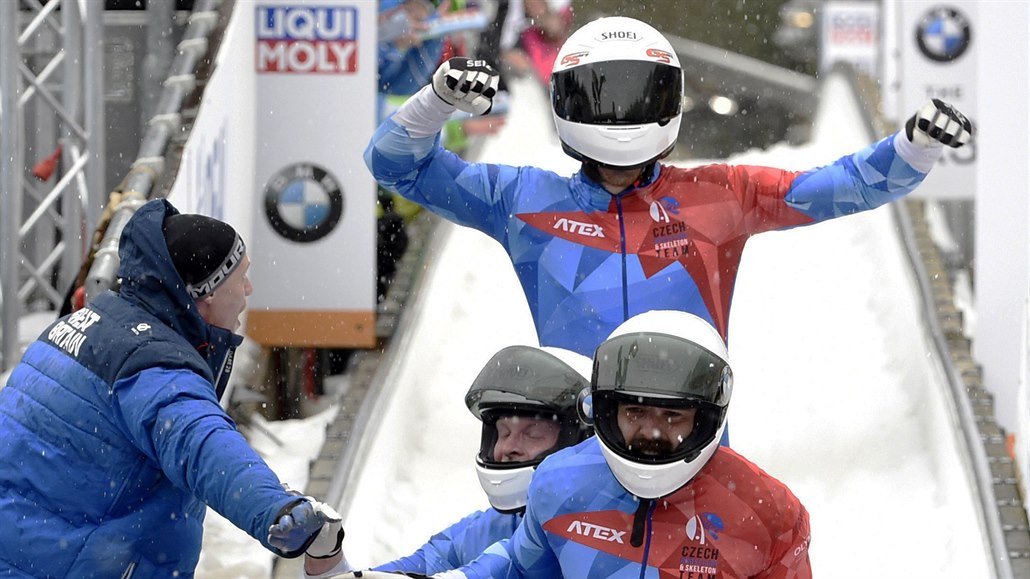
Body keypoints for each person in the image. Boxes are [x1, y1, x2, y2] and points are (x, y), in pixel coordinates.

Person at [363, 15, 974, 359]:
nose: (622, 114)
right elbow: (395, 164)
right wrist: (435, 102)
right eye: (605, 96)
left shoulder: (720, 194)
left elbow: (832, 187)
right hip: (571, 445)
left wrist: (909, 148)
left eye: (640, 93)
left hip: (692, 437)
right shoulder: (523, 199)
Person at [0, 199, 342, 577]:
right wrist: (277, 509)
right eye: (240, 277)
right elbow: (204, 446)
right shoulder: (154, 367)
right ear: (207, 293)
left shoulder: (80, 324)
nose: (248, 288)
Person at [360, 310, 810, 578]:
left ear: (706, 415)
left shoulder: (771, 513)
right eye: (634, 413)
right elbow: (519, 569)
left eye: (672, 415)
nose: (651, 432)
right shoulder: (558, 482)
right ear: (608, 411)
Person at [305, 344, 593, 578]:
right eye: (503, 432)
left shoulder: (610, 535)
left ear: (579, 439)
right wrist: (327, 561)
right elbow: (398, 575)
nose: (508, 448)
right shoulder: (485, 530)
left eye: (532, 434)